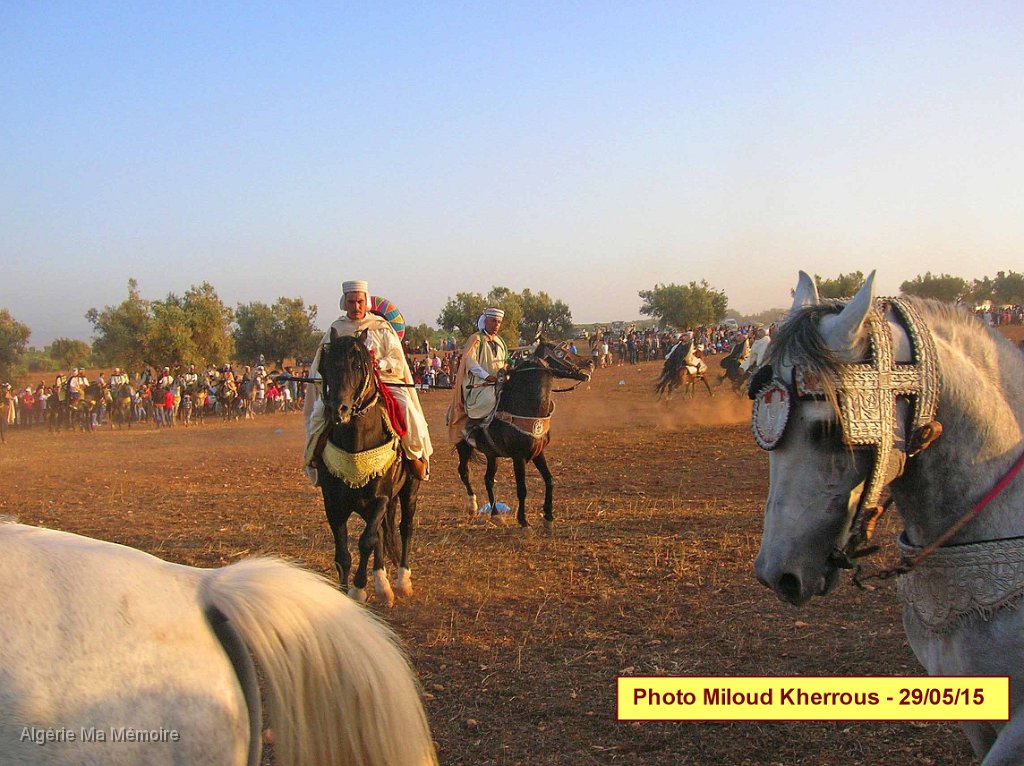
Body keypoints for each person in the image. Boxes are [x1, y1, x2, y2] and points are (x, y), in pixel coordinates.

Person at [303, 280, 433, 484]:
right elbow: (322, 362)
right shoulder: (336, 329)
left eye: (359, 301)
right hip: (347, 388)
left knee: (406, 407)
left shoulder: (381, 328)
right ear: (344, 303)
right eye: (351, 302)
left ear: (367, 303)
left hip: (384, 382)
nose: (356, 306)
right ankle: (314, 458)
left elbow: (396, 359)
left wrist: (378, 364)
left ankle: (413, 455)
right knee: (319, 413)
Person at [446, 307, 508, 442]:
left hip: (500, 381)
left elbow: (504, 362)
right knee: (489, 400)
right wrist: (487, 376)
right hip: (480, 384)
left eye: (499, 322)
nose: (496, 325)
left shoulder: (500, 341)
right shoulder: (475, 339)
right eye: (493, 321)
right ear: (485, 321)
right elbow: (471, 362)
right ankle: (473, 430)